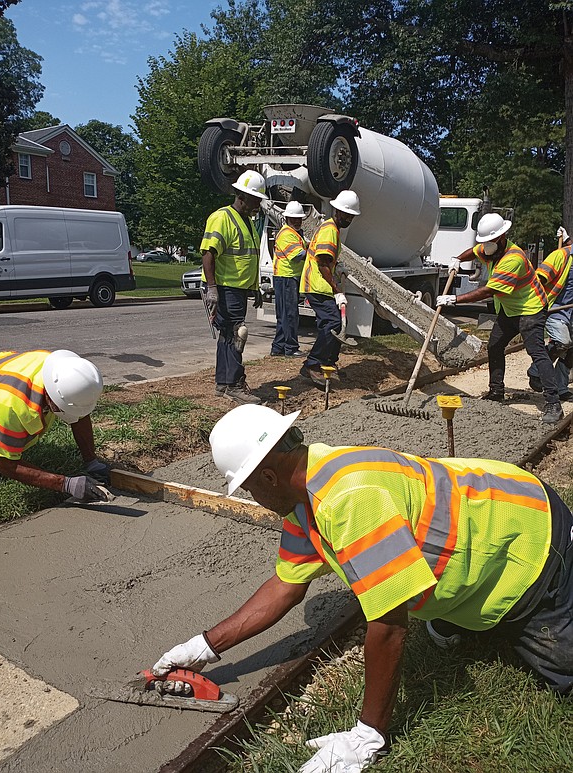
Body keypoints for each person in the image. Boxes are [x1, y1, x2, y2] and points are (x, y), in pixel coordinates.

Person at [151, 404, 573, 773]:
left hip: (528, 539)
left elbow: (389, 623)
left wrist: (368, 733)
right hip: (482, 523)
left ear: (268, 476)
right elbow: (285, 585)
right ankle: (459, 616)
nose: (252, 497)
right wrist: (201, 647)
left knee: (562, 669)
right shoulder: (306, 496)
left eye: (248, 488)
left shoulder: (349, 498)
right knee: (456, 622)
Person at [437, 212, 563, 425]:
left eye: (489, 241)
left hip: (530, 309)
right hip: (510, 309)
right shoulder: (490, 248)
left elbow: (488, 291)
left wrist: (454, 299)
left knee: (537, 352)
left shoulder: (513, 259)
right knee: (495, 346)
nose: (484, 246)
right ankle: (496, 391)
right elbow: (474, 251)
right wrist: (458, 259)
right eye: (483, 241)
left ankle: (553, 403)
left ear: (501, 238)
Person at [0, 349, 110, 502]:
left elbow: (79, 414)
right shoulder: (10, 409)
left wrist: (92, 462)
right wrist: (65, 484)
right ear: (50, 396)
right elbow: (7, 465)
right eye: (64, 408)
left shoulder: (60, 371)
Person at [200, 170, 268, 405]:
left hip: (237, 289)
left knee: (228, 336)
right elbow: (208, 253)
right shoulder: (222, 218)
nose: (258, 204)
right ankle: (233, 384)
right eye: (256, 199)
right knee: (236, 334)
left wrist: (255, 287)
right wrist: (212, 288)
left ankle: (224, 383)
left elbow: (247, 258)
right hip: (225, 287)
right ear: (242, 196)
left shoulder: (247, 222)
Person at [299, 190, 361, 387]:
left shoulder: (333, 229)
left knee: (340, 323)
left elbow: (329, 260)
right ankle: (312, 364)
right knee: (333, 323)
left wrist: (338, 265)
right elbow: (323, 264)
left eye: (351, 215)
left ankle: (328, 362)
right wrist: (337, 290)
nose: (349, 218)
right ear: (336, 210)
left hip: (322, 284)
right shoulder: (329, 230)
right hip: (318, 285)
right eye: (346, 214)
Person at [527, 226, 573, 400]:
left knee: (571, 353)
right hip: (555, 309)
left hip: (571, 314)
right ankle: (536, 370)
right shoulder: (561, 255)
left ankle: (561, 388)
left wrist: (567, 238)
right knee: (562, 343)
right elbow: (539, 278)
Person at [270, 201, 308, 358]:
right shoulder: (287, 234)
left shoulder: (294, 233)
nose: (297, 221)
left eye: (299, 219)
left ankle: (278, 347)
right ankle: (291, 348)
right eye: (294, 219)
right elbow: (298, 256)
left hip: (287, 277)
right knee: (290, 314)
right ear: (287, 219)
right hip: (286, 277)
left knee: (284, 314)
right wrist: (314, 249)